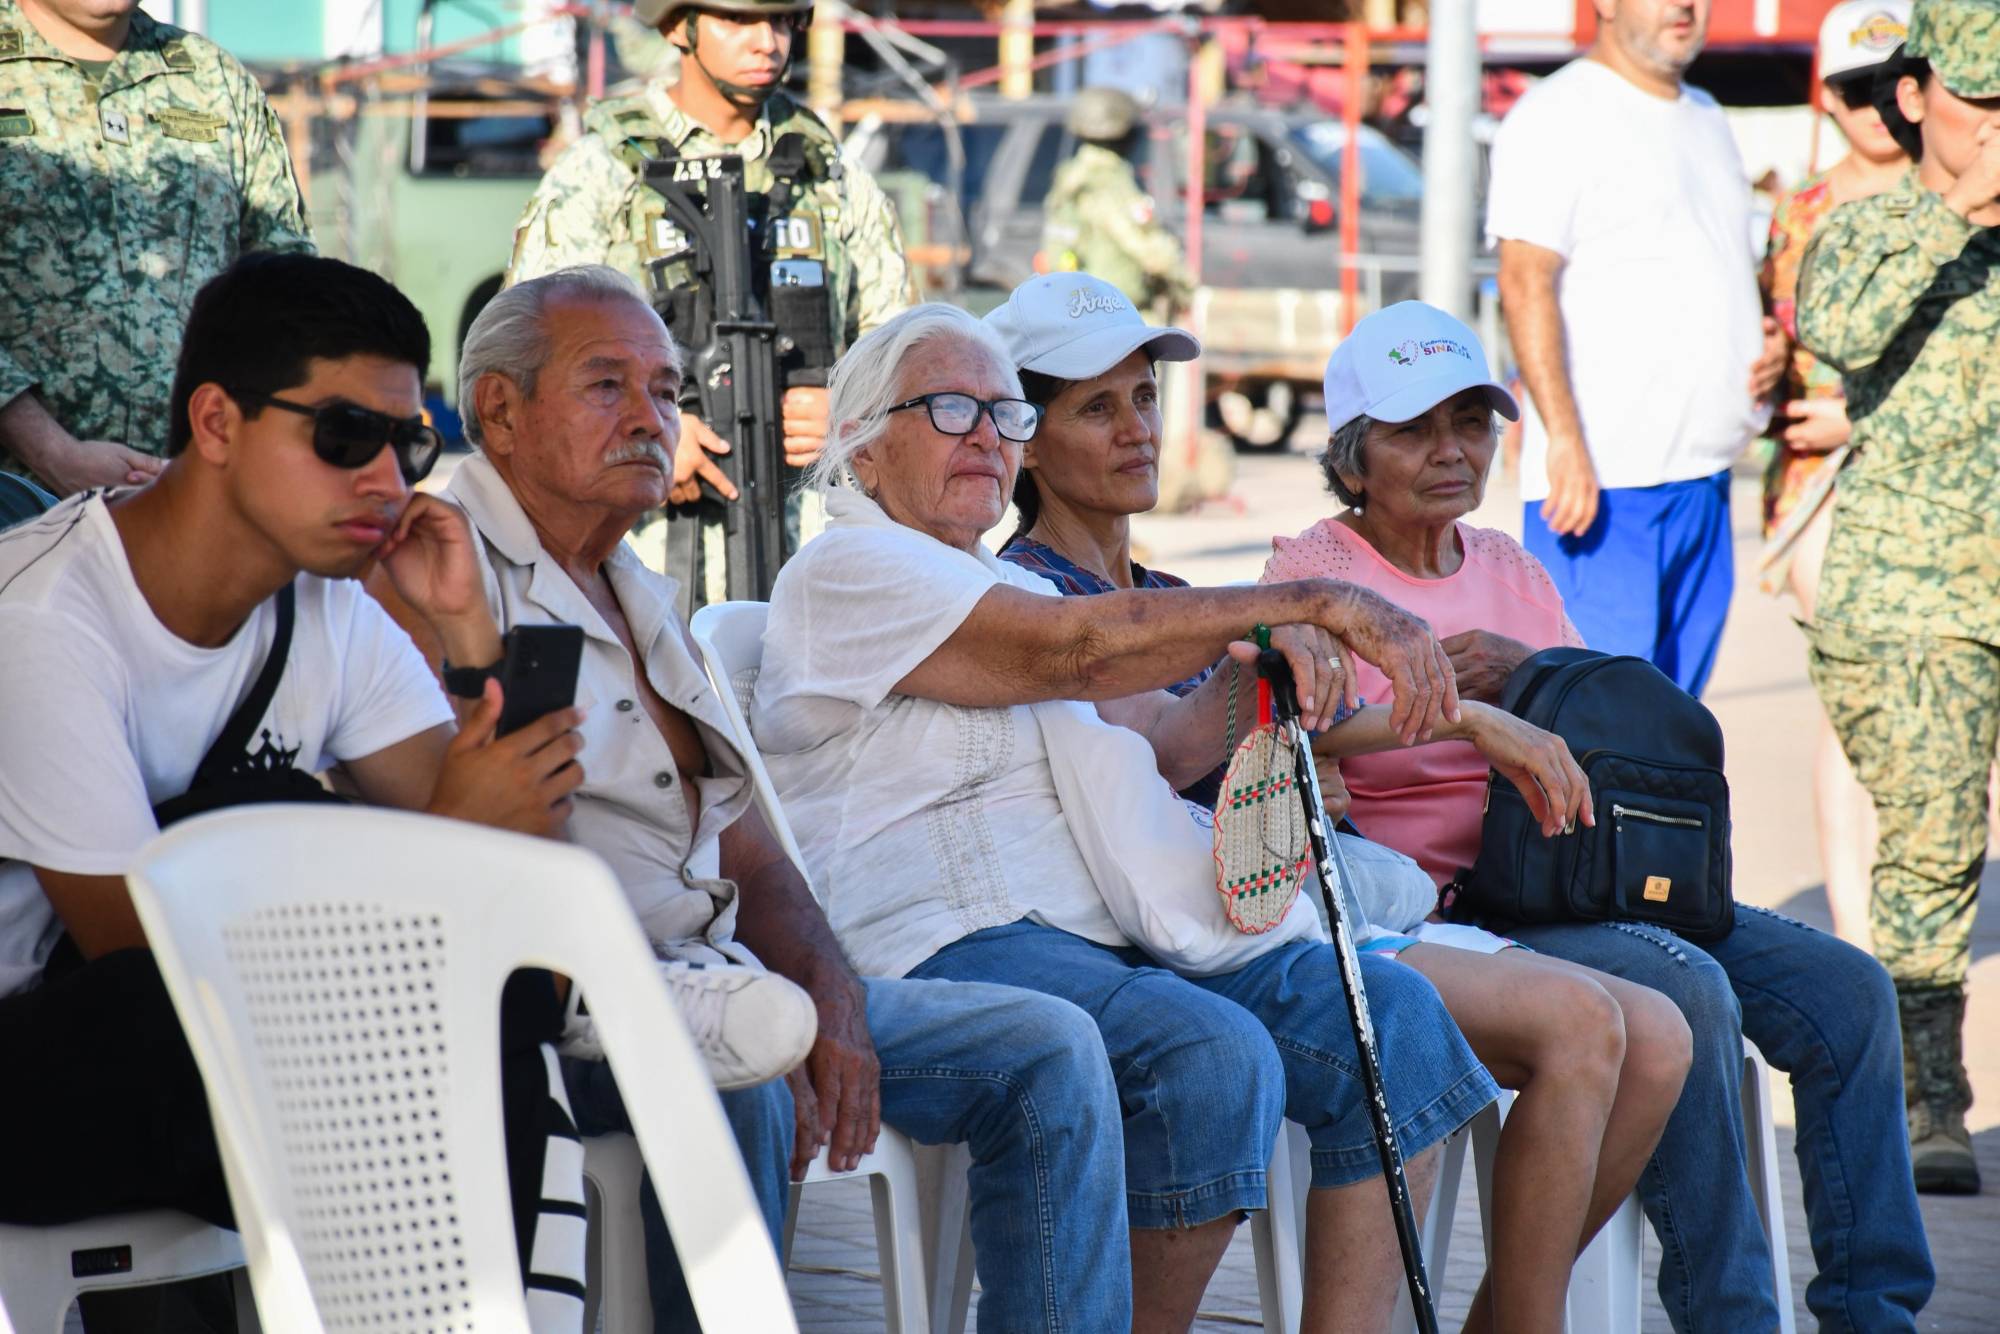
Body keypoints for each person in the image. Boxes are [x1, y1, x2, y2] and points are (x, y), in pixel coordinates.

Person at [752, 300, 1499, 1333]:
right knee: (1204, 1053)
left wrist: (1263, 675)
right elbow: (1073, 650)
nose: (986, 434)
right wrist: (1317, 601)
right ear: (861, 446)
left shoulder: (987, 574)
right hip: (935, 939)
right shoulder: (849, 566)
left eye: (1002, 414)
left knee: (1391, 1019)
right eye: (949, 408)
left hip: (1093, 923)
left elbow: (1146, 739)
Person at [422, 265, 1134, 1331]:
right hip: (557, 1012)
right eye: (606, 385)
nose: (650, 418)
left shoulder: (632, 587)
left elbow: (751, 852)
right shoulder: (438, 569)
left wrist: (826, 995)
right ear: (500, 410)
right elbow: (459, 856)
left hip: (733, 983)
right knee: (742, 1069)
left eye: (666, 391)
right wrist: (752, 1017)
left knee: (1048, 1045)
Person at [986, 272, 1689, 1332]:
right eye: (1098, 406)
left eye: (1142, 398)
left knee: (1662, 1031)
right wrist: (1449, 710)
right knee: (1581, 1022)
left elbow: (1286, 742)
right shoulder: (1040, 599)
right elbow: (1160, 757)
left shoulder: (1173, 595)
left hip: (1326, 902)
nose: (1137, 428)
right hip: (1221, 933)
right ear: (1025, 441)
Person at [1266, 298, 1935, 1331]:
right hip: (1471, 904)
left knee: (1846, 988)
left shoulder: (1509, 566)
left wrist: (1532, 668)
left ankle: (1873, 1312)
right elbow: (1282, 730)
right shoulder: (1316, 574)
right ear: (1353, 457)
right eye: (1414, 429)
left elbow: (1617, 722)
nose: (1452, 450)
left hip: (1587, 865)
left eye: (1471, 422)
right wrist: (1463, 713)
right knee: (1689, 989)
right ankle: (1729, 1315)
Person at [0, 254, 592, 1329]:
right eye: (341, 437)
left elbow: (514, 893)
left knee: (484, 987)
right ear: (217, 421)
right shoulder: (43, 623)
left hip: (224, 1041)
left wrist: (464, 633)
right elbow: (141, 957)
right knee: (285, 888)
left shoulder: (331, 609)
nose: (387, 480)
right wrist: (451, 859)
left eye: (408, 444)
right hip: (50, 1053)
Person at [507, 0, 914, 612]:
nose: (766, 42)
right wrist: (637, 431)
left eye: (781, 23)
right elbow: (525, 362)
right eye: (738, 21)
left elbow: (904, 351)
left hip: (812, 557)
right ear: (678, 27)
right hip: (644, 552)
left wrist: (852, 410)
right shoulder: (605, 173)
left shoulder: (828, 174)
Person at [1796, 0, 2000, 1196]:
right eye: (1983, 106)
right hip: (1917, 590)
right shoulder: (1872, 229)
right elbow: (1836, 324)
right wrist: (1953, 208)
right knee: (1930, 848)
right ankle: (1927, 1099)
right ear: (1915, 95)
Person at [1488, 0, 1788, 696]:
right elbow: (1524, 279)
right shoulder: (1557, 114)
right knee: (1602, 730)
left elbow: (1714, 267)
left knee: (1675, 731)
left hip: (1705, 476)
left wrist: (1760, 339)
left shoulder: (1708, 116)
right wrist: (1563, 439)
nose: (1684, 5)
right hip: (1603, 487)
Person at [0, 0, 314, 492]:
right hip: (17, 509)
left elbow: (291, 295)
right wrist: (51, 453)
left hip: (192, 506)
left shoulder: (216, 82)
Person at [1756, 0, 1910, 952]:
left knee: (1929, 707)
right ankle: (1863, 941)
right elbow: (1779, 343)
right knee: (1856, 700)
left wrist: (1873, 410)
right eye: (1855, 90)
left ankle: (1911, 925)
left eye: (1896, 85)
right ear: (1829, 98)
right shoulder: (1801, 210)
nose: (1879, 109)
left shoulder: (1969, 202)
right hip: (1821, 484)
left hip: (1937, 482)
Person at [1039, 87, 1192, 318]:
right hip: (1118, 316)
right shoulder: (1107, 181)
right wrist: (1186, 283)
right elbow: (1148, 250)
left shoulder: (1071, 178)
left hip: (1084, 314)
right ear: (1123, 133)